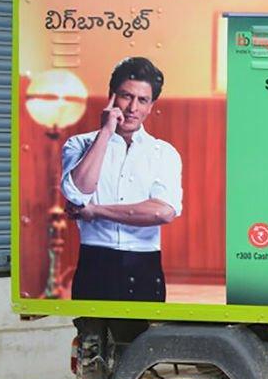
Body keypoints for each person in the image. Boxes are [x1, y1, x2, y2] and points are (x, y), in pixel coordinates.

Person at [60, 57, 182, 302]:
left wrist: (95, 211)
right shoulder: (79, 144)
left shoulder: (164, 152)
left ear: (151, 105)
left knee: (144, 340)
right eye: (126, 96)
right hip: (94, 264)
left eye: (142, 100)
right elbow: (77, 192)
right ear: (111, 97)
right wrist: (105, 132)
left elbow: (162, 213)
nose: (132, 108)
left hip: (145, 266)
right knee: (92, 339)